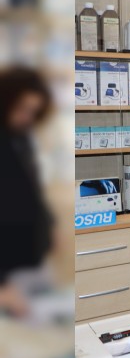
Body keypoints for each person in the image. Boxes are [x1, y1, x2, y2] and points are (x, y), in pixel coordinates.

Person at [0, 67, 54, 317]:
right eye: (22, 109)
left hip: (31, 259)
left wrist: (48, 225)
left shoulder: (20, 137)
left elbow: (29, 189)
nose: (27, 117)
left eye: (33, 111)